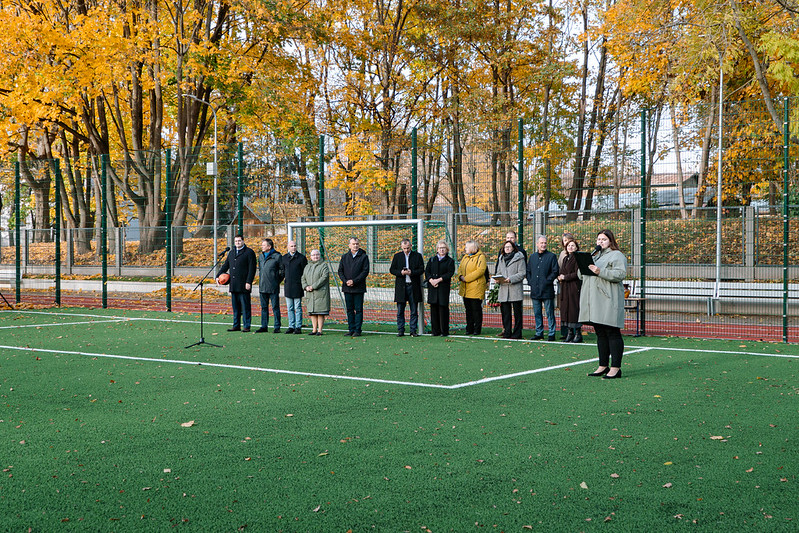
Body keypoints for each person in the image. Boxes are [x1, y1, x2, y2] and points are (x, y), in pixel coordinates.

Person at [580, 229, 628, 379]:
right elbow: (582, 275)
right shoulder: (595, 255)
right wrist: (582, 266)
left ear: (611, 241)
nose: (600, 242)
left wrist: (600, 271)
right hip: (595, 300)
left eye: (604, 239)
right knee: (600, 333)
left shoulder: (617, 255)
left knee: (612, 332)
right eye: (598, 239)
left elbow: (620, 274)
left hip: (608, 299)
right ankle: (602, 365)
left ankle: (615, 368)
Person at [217, 234, 256, 332]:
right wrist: (218, 275)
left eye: (239, 241)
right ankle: (236, 325)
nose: (237, 243)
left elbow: (252, 269)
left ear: (243, 241)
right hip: (233, 284)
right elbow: (226, 266)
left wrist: (249, 281)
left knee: (245, 306)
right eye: (236, 241)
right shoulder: (231, 253)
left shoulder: (249, 252)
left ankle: (246, 326)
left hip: (244, 284)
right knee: (235, 307)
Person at [389, 238, 425, 337]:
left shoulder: (417, 256)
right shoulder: (397, 256)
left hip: (413, 286)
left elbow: (422, 269)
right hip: (401, 287)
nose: (406, 250)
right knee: (400, 310)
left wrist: (411, 272)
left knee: (414, 310)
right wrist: (401, 272)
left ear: (411, 246)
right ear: (401, 247)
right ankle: (401, 330)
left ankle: (413, 330)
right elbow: (392, 269)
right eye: (404, 248)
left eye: (408, 248)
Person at [526, 235, 559, 340]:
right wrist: (531, 282)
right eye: (541, 243)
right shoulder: (532, 257)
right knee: (537, 313)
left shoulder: (551, 256)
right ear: (537, 244)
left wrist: (547, 281)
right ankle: (539, 332)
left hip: (547, 290)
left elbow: (555, 271)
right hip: (535, 290)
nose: (543, 245)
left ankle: (551, 333)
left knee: (549, 312)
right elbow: (528, 271)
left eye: (545, 243)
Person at [338, 237, 370, 337]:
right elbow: (340, 271)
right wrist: (346, 281)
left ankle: (357, 330)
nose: (355, 245)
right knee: (349, 310)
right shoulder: (344, 257)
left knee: (359, 309)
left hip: (358, 288)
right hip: (347, 287)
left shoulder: (364, 257)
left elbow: (365, 271)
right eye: (353, 244)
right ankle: (351, 329)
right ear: (349, 245)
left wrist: (354, 281)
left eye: (357, 243)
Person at [495, 241, 526, 339]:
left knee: (517, 313)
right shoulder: (501, 258)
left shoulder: (519, 257)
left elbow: (522, 273)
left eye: (509, 247)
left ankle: (517, 333)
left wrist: (511, 279)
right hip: (504, 289)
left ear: (513, 247)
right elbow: (498, 271)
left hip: (515, 288)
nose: (507, 248)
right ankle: (507, 332)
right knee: (505, 313)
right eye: (505, 247)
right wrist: (498, 279)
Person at [425, 240, 456, 337]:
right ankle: (435, 331)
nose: (441, 250)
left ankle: (444, 331)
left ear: (447, 249)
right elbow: (427, 272)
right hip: (432, 287)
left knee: (443, 308)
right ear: (437, 249)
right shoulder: (432, 260)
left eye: (443, 248)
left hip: (443, 287)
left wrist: (438, 280)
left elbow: (450, 273)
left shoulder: (450, 261)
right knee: (433, 308)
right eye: (440, 248)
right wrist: (431, 280)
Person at [457, 240, 487, 335]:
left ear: (472, 248)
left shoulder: (481, 257)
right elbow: (460, 268)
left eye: (466, 247)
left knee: (476, 310)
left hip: (476, 288)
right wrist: (460, 276)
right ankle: (469, 328)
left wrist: (466, 278)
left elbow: (480, 271)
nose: (465, 249)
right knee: (468, 310)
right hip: (465, 288)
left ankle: (477, 329)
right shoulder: (465, 257)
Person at [256, 238, 283, 333]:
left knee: (275, 307)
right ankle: (264, 326)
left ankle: (277, 326)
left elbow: (282, 271)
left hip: (273, 286)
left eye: (263, 245)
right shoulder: (261, 257)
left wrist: (276, 280)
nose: (262, 247)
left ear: (269, 246)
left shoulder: (277, 256)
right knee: (263, 307)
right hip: (262, 286)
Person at [558, 239, 583, 343]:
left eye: (573, 245)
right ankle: (569, 333)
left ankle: (578, 333)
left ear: (576, 247)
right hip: (564, 287)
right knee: (566, 309)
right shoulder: (565, 259)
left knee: (574, 309)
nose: (570, 247)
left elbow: (577, 274)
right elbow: (561, 271)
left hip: (573, 287)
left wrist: (565, 277)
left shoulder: (578, 258)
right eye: (569, 246)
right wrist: (559, 277)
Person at [281, 240, 308, 334]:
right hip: (288, 286)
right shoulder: (284, 258)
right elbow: (282, 272)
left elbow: (305, 272)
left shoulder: (301, 258)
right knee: (290, 307)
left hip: (298, 286)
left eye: (295, 246)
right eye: (291, 246)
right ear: (288, 247)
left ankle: (298, 327)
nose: (293, 247)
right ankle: (291, 326)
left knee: (298, 307)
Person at [301, 249, 330, 336]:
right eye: (313, 255)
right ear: (310, 257)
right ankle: (314, 330)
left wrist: (313, 286)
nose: (315, 256)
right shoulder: (307, 266)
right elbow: (303, 278)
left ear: (320, 256)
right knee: (312, 312)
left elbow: (324, 277)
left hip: (320, 292)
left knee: (320, 312)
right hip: (310, 293)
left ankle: (320, 330)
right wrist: (306, 287)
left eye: (317, 255)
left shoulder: (323, 265)